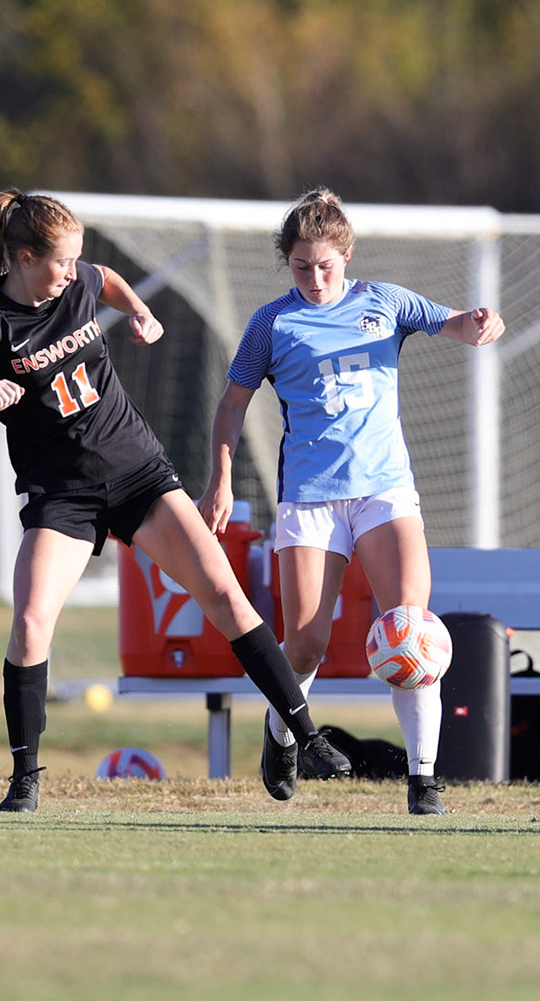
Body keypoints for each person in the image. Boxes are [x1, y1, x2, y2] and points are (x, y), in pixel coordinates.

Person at [0, 189, 350, 813]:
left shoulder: (76, 281)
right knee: (31, 622)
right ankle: (25, 779)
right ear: (21, 257)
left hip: (138, 474)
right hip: (63, 496)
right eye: (60, 263)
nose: (72, 274)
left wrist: (141, 312)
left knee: (225, 594)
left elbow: (109, 280)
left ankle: (305, 737)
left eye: (76, 262)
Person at [199, 188, 505, 815]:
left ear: (347, 255)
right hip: (310, 498)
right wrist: (221, 481)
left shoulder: (384, 302)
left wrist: (477, 325)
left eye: (326, 265)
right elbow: (233, 406)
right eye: (302, 266)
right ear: (287, 262)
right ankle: (281, 736)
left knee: (410, 629)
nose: (315, 278)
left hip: (384, 489)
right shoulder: (272, 322)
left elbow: (453, 323)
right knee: (306, 643)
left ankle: (423, 782)